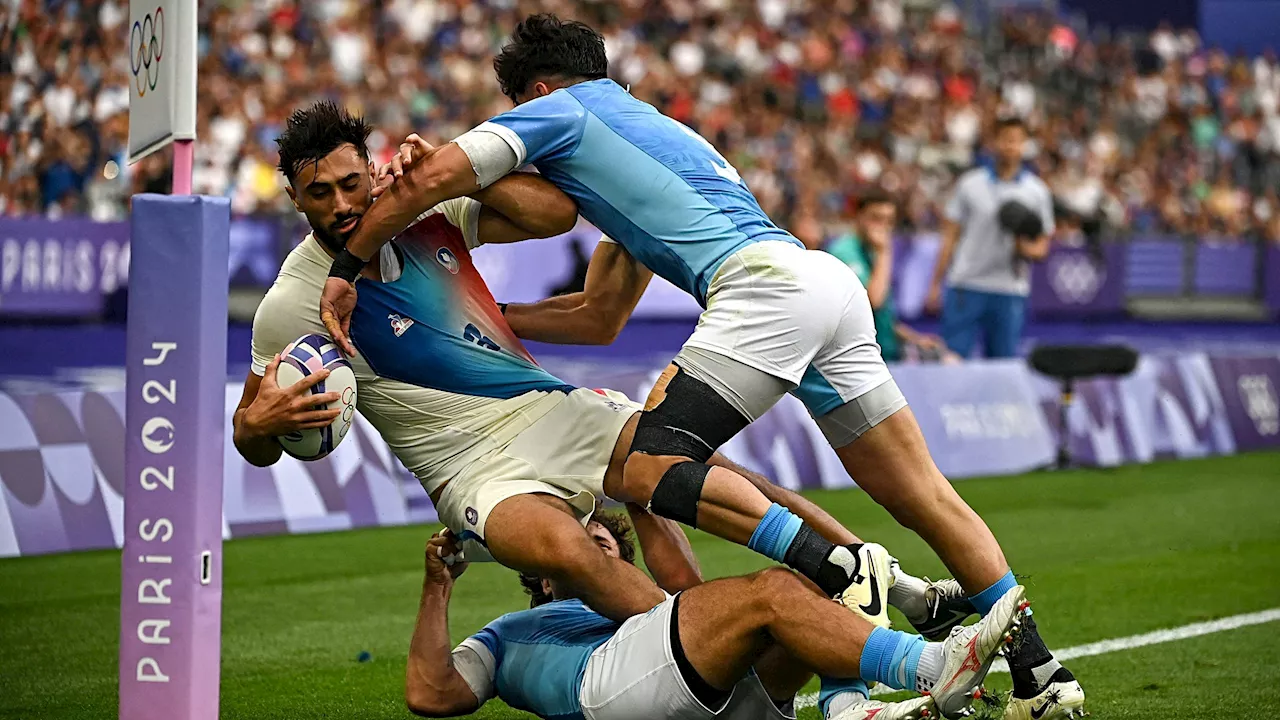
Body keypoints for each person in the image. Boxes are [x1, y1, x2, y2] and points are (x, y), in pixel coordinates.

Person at [317, 16, 1084, 719]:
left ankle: (847, 569)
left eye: (516, 104)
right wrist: (485, 323)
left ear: (537, 90)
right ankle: (1043, 675)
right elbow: (600, 316)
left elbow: (431, 180)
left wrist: (348, 266)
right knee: (924, 494)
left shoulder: (556, 112)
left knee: (651, 463)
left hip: (763, 291)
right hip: (822, 285)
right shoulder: (651, 138)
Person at [235, 100, 973, 640]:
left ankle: (899, 591)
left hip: (553, 409)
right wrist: (258, 425)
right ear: (293, 199)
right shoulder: (289, 305)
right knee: (561, 547)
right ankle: (709, 651)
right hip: (470, 469)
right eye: (319, 193)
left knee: (698, 470)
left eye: (350, 183)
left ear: (371, 170)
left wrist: (450, 180)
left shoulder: (430, 215)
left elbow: (553, 212)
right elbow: (253, 431)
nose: (340, 205)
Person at [405, 509, 1029, 720]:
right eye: (572, 548)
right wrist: (438, 588)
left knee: (819, 587)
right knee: (772, 591)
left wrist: (635, 489)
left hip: (704, 700)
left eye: (602, 546)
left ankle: (848, 707)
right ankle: (924, 667)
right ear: (541, 569)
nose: (586, 553)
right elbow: (431, 695)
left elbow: (677, 596)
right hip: (603, 694)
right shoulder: (509, 634)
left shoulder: (638, 613)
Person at [926, 117, 1055, 359]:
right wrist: (935, 284)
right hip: (966, 283)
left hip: (1009, 289)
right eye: (1005, 139)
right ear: (994, 143)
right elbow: (950, 236)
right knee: (952, 359)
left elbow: (1042, 246)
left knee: (1002, 366)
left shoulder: (1037, 192)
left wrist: (1023, 247)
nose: (1010, 146)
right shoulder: (970, 184)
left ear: (1025, 145)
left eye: (1016, 141)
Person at [824, 191, 958, 363]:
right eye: (876, 218)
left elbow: (885, 319)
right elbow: (873, 302)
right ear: (858, 217)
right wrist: (884, 252)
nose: (883, 226)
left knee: (950, 359)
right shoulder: (844, 251)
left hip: (886, 351)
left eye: (889, 220)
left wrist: (916, 338)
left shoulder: (873, 252)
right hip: (858, 357)